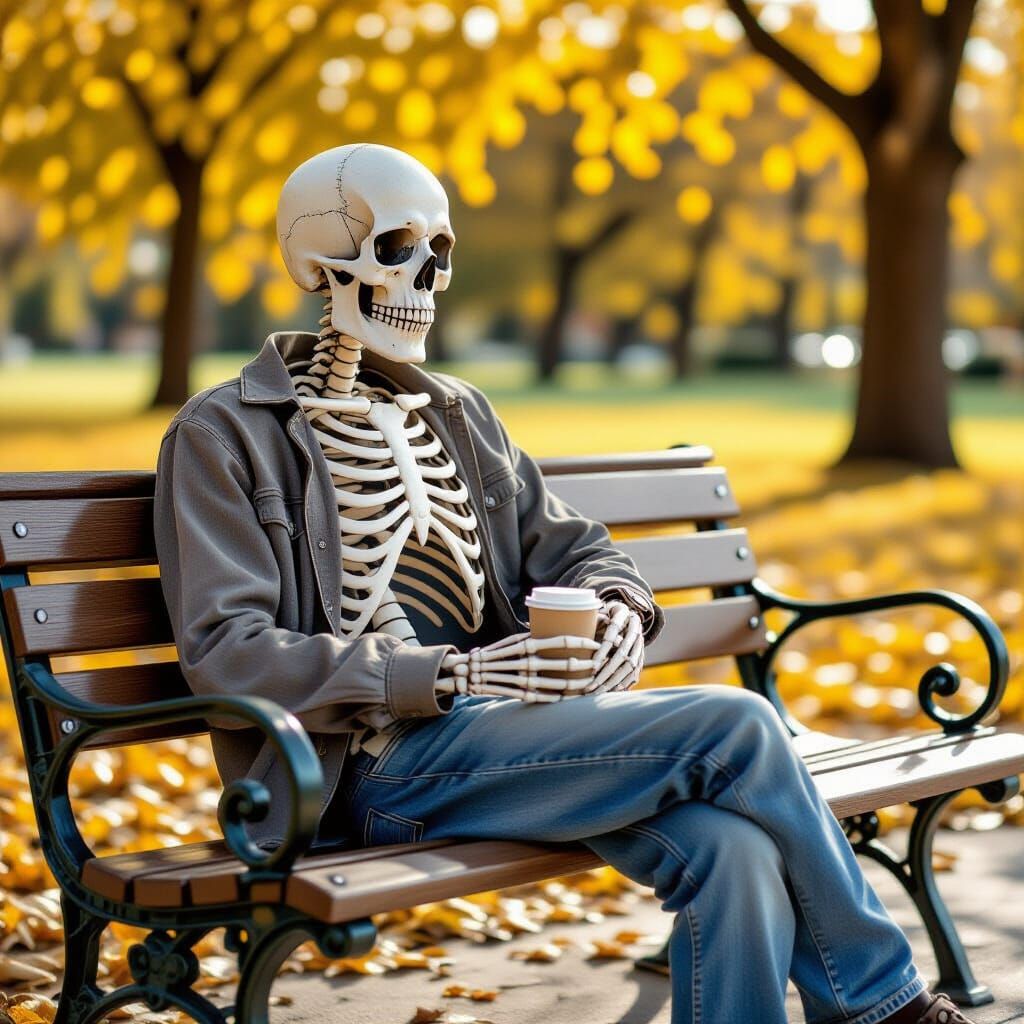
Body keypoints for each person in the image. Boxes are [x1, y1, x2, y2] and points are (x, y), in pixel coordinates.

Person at [153, 144, 975, 1024]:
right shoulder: (223, 434)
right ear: (319, 261)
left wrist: (622, 605)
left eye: (439, 252)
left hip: (506, 738)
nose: (426, 276)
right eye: (396, 248)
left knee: (732, 850)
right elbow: (227, 652)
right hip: (367, 770)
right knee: (739, 723)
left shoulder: (457, 413)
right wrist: (446, 674)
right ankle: (882, 1007)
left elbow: (582, 547)